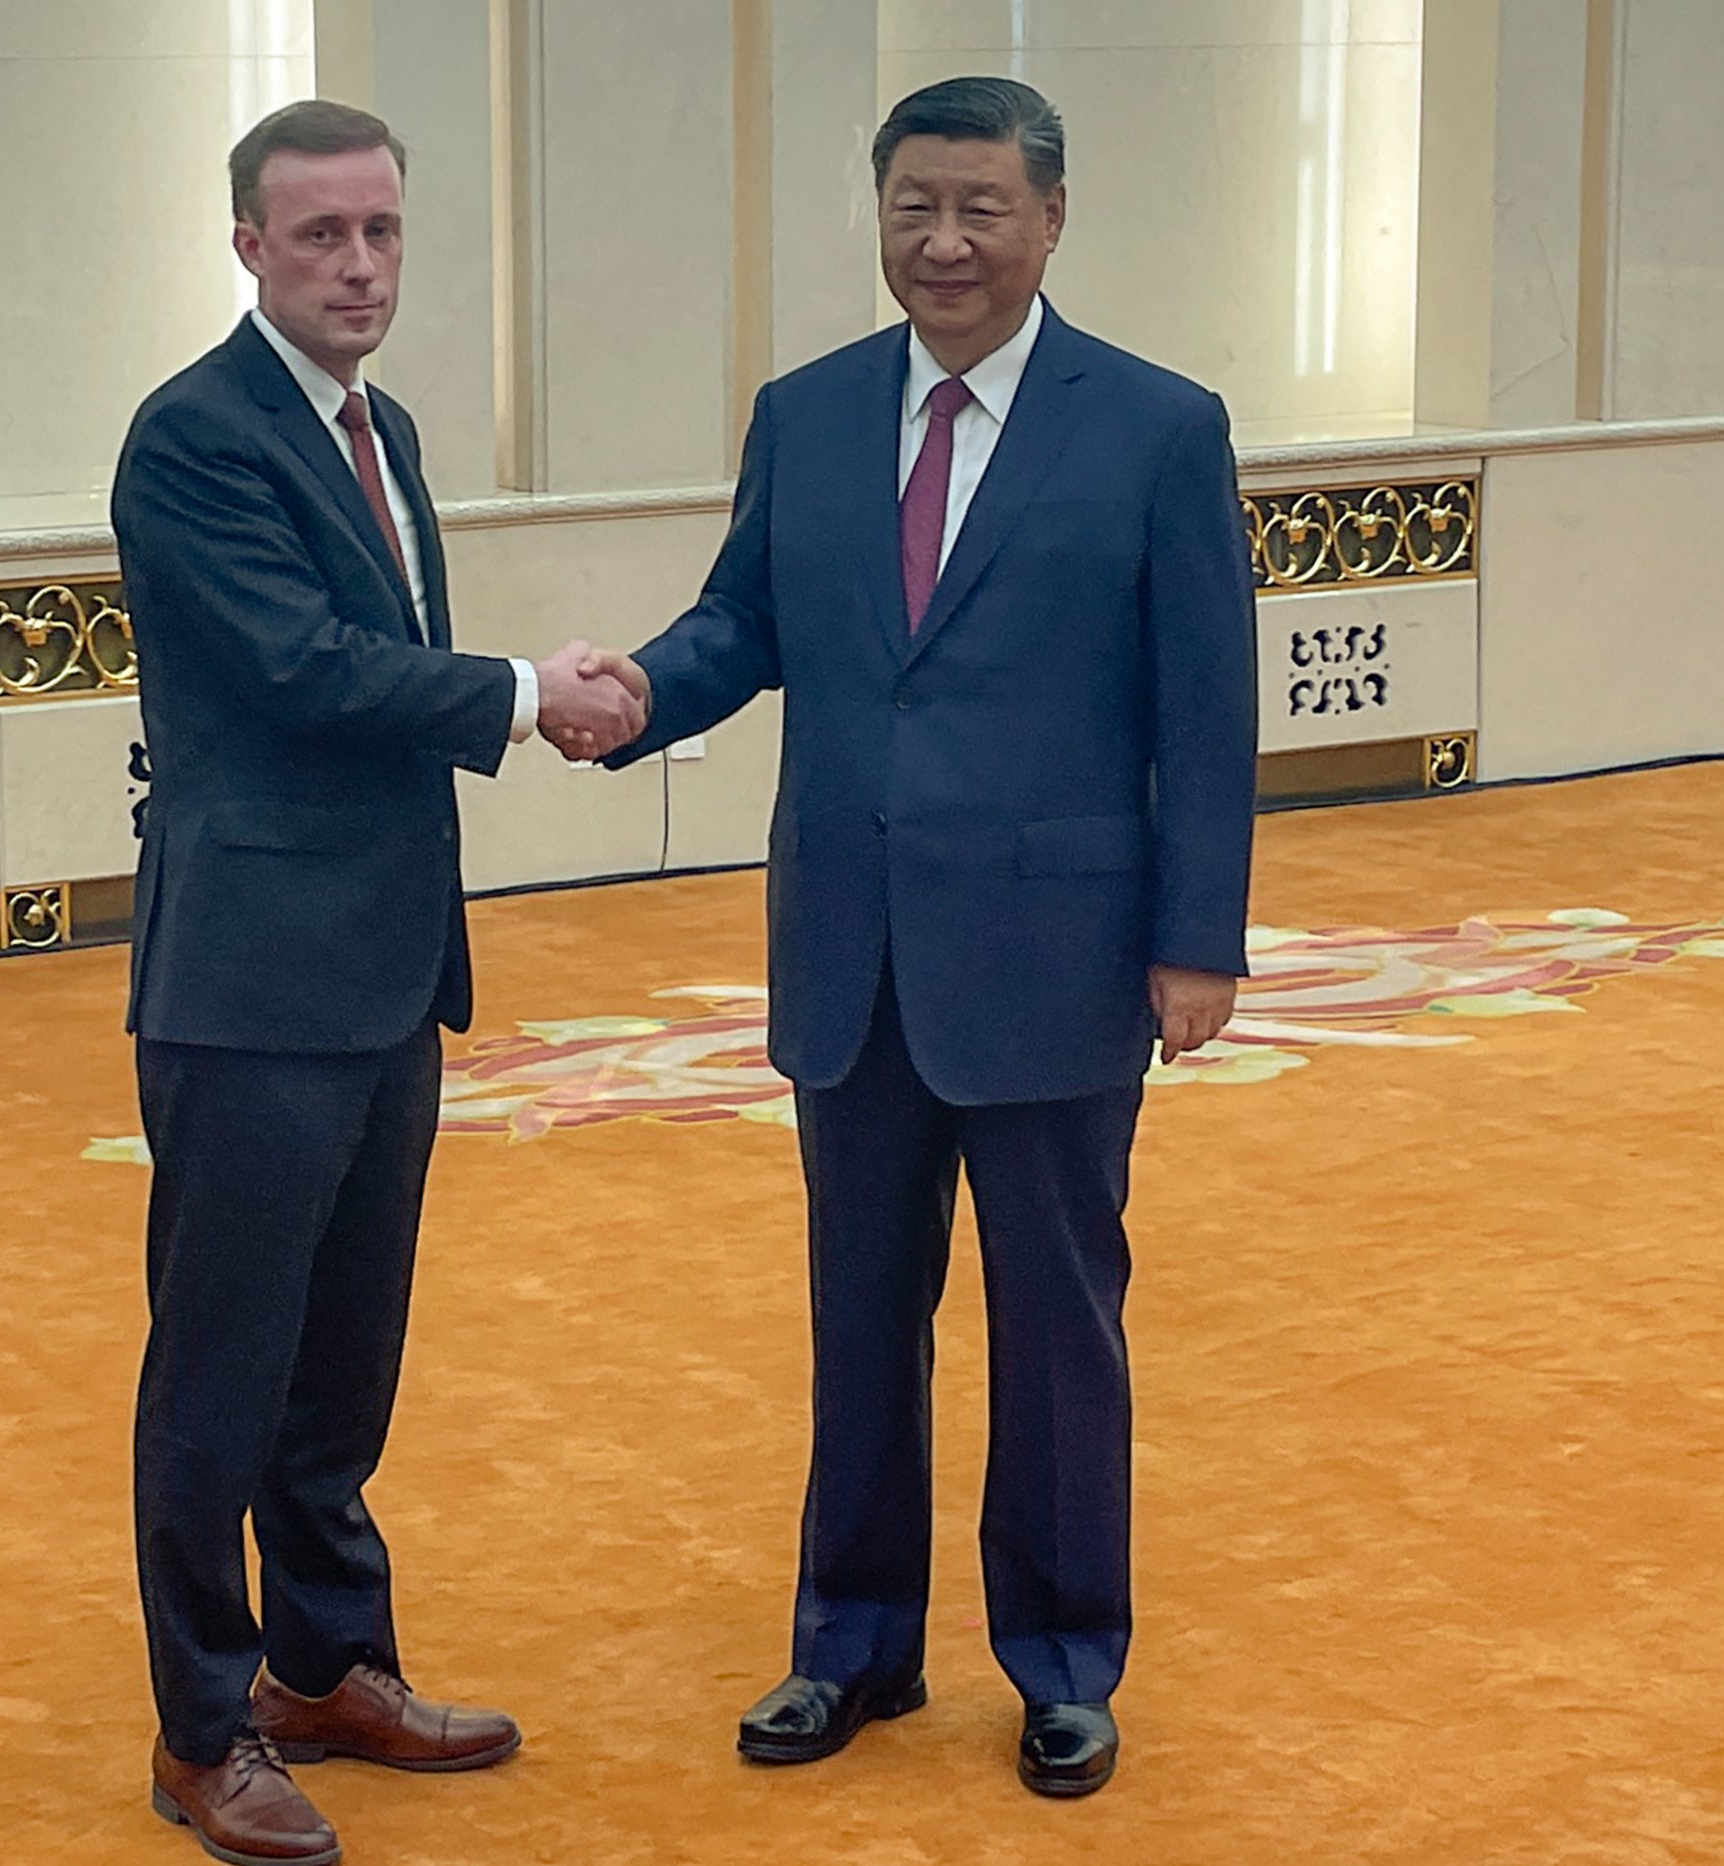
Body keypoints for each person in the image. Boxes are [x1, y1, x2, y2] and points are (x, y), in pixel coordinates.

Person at [576, 76, 1257, 1798]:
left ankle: (1060, 1660)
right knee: (857, 1317)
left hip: (1061, 959)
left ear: (1047, 222)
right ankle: (851, 1645)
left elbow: (1208, 705)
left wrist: (1199, 939)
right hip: (851, 955)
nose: (941, 241)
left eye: (977, 208)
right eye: (911, 208)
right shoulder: (804, 414)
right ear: (876, 216)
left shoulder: (1158, 427)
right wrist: (647, 690)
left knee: (1056, 1325)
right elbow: (747, 616)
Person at [110, 99, 645, 1866]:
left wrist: (497, 695)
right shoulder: (190, 437)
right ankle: (204, 1729)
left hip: (385, 971)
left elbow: (372, 664)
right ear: (247, 246)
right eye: (320, 235)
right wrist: (520, 692)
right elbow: (294, 666)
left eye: (383, 233)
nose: (358, 266)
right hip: (248, 979)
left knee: (343, 1361)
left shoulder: (381, 426)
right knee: (222, 1371)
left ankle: (325, 1663)